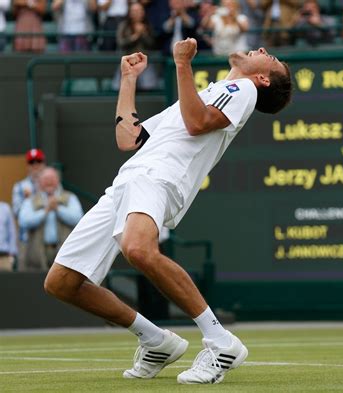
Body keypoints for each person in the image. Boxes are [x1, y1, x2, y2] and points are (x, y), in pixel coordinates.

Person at [44, 38, 292, 384]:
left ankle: (222, 342)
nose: (264, 50)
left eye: (272, 57)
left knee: (138, 248)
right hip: (127, 182)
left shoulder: (244, 90)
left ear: (263, 79)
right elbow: (128, 139)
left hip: (160, 177)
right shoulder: (214, 90)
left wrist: (182, 64)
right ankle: (156, 339)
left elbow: (197, 123)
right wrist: (128, 79)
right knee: (62, 282)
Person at [18, 167, 83, 271]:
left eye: (52, 179)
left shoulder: (70, 197)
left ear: (57, 180)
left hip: (64, 253)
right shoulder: (30, 201)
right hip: (37, 256)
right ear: (39, 182)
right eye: (46, 179)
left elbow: (78, 218)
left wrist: (58, 209)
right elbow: (23, 221)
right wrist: (45, 211)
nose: (49, 182)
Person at [12, 148, 46, 270]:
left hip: (47, 239)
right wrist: (28, 200)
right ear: (28, 166)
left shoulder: (51, 183)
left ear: (43, 163)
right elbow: (16, 213)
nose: (35, 165)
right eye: (32, 162)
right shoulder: (20, 187)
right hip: (26, 240)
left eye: (38, 161)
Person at [112, 1, 158, 91]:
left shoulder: (148, 26)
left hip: (145, 61)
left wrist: (143, 34)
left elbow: (152, 44)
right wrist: (135, 36)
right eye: (134, 11)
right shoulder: (124, 26)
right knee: (119, 87)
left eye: (139, 10)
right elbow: (121, 43)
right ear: (130, 12)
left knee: (149, 86)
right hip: (127, 61)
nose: (137, 13)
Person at [0, 202, 17, 271]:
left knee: (6, 281)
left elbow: (12, 232)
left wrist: (12, 254)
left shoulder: (6, 208)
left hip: (4, 256)